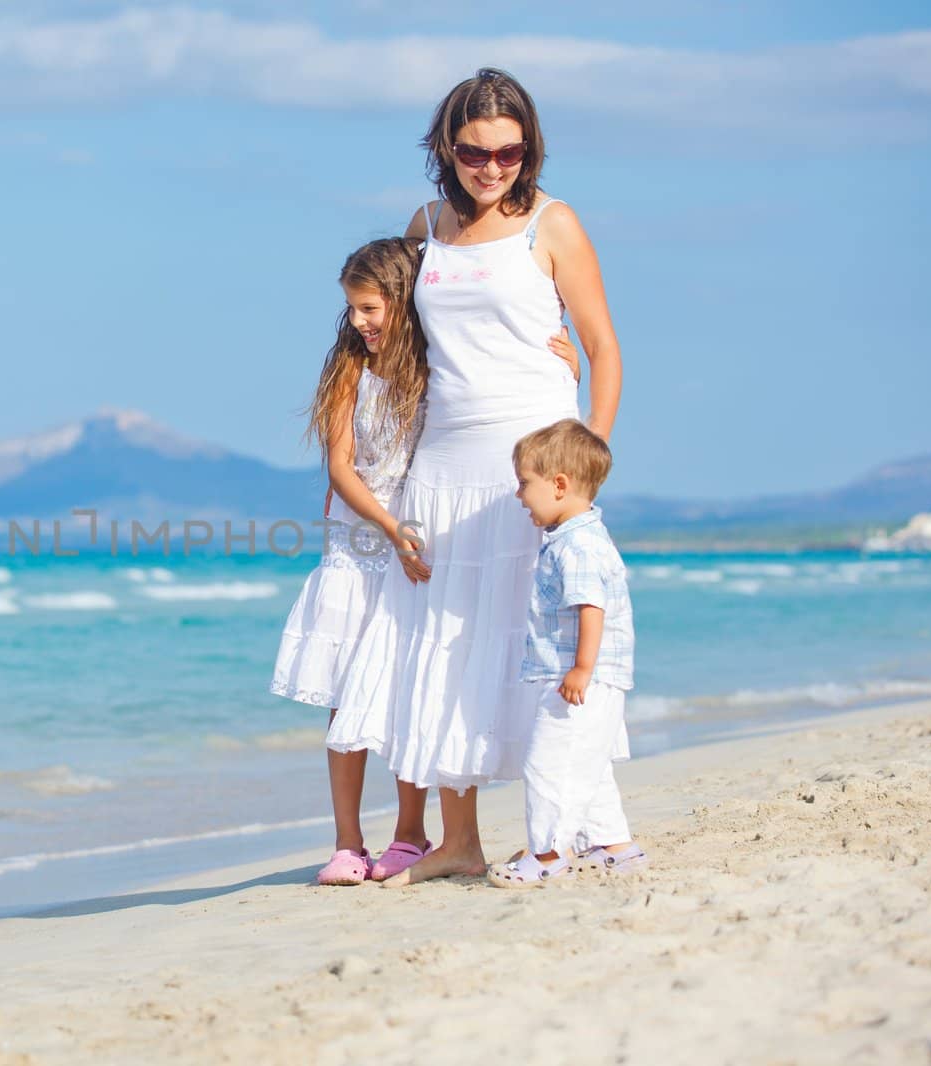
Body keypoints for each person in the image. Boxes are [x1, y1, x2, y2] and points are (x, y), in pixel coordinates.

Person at [326, 67, 625, 887]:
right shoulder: (426, 225)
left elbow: (603, 348)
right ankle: (458, 841)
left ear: (527, 150)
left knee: (545, 643)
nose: (490, 168)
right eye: (472, 151)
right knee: (444, 641)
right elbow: (390, 329)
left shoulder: (553, 224)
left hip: (532, 460)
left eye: (508, 152)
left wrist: (584, 458)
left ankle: (576, 828)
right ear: (444, 148)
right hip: (443, 458)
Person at [270, 237, 434, 885]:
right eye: (353, 309)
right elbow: (340, 469)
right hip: (359, 549)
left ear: (403, 300)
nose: (361, 321)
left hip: (413, 552)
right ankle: (346, 843)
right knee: (345, 699)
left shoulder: (435, 368)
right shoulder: (350, 371)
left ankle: (411, 835)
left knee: (404, 694)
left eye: (371, 307)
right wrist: (390, 528)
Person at [488, 419, 644, 887]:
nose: (519, 496)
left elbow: (590, 608)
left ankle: (549, 853)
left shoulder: (576, 545)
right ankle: (615, 846)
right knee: (587, 765)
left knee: (549, 764)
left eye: (524, 484)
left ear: (559, 485)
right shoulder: (579, 538)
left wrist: (581, 668)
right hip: (589, 677)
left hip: (580, 678)